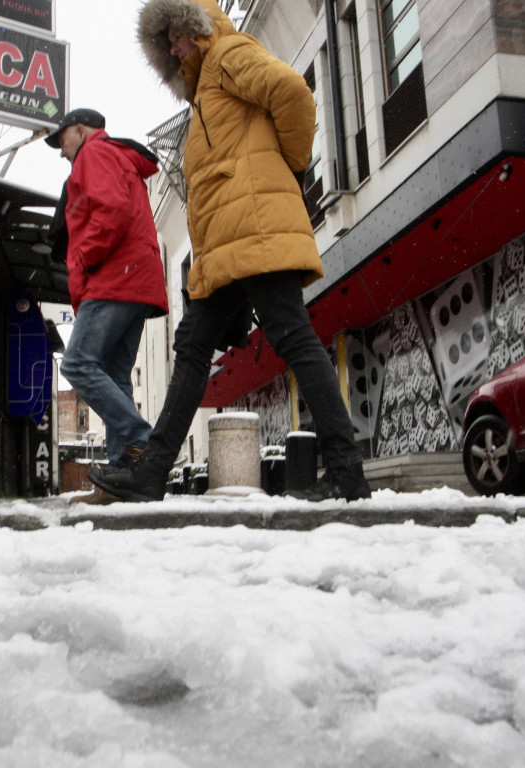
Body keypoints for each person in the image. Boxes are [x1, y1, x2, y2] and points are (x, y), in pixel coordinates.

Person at [91, 0, 371, 502]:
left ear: (194, 27)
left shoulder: (227, 54)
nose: (173, 48)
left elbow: (292, 93)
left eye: (176, 35)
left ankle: (348, 471)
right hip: (226, 246)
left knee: (292, 338)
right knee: (194, 347)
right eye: (167, 43)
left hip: (255, 229)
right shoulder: (202, 93)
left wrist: (290, 165)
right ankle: (152, 472)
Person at [45, 108, 170, 504]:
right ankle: (122, 479)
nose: (61, 151)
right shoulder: (115, 157)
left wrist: (84, 258)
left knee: (77, 363)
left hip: (116, 278)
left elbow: (111, 211)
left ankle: (138, 440)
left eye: (62, 140)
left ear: (81, 130)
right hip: (136, 280)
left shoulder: (95, 153)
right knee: (115, 377)